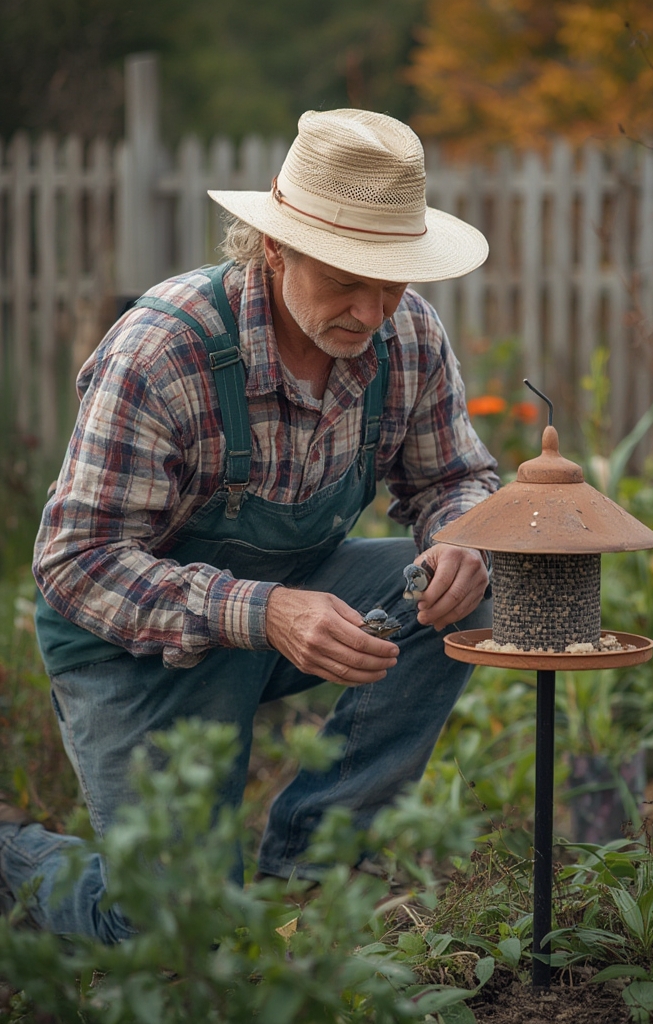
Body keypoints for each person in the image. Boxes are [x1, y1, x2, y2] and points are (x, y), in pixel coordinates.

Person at [0, 108, 498, 941]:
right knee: (176, 936)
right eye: (346, 280)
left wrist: (459, 539)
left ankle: (314, 871)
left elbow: (454, 477)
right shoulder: (165, 350)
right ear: (276, 246)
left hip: (292, 607)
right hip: (132, 647)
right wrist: (262, 611)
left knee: (472, 591)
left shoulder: (406, 333)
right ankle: (13, 855)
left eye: (392, 282)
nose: (372, 310)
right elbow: (76, 561)